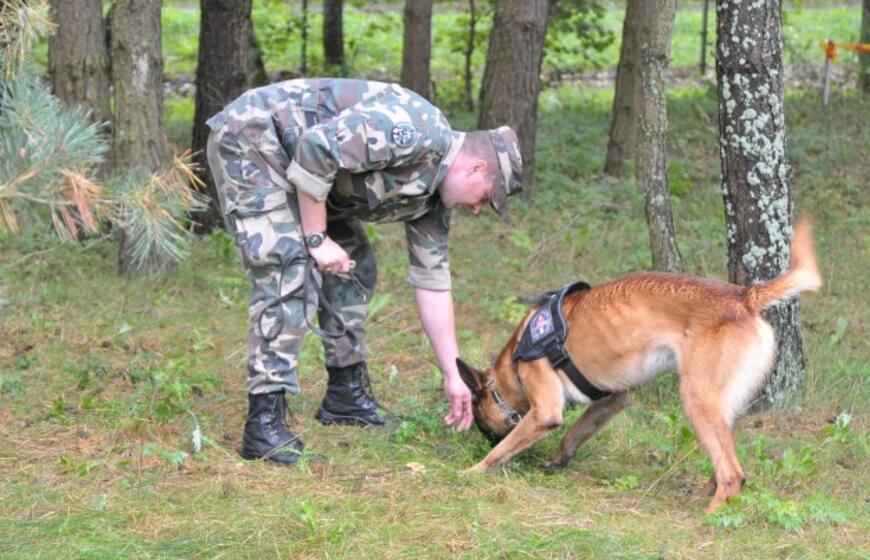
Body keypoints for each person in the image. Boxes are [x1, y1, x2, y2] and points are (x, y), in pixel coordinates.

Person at [205, 78, 522, 465]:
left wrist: (453, 372)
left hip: (314, 179)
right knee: (289, 269)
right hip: (257, 141)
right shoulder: (417, 131)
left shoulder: (433, 201)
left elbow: (433, 284)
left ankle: (345, 395)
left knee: (356, 266)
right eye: (485, 197)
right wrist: (317, 238)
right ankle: (264, 422)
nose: (476, 208)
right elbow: (316, 146)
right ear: (477, 167)